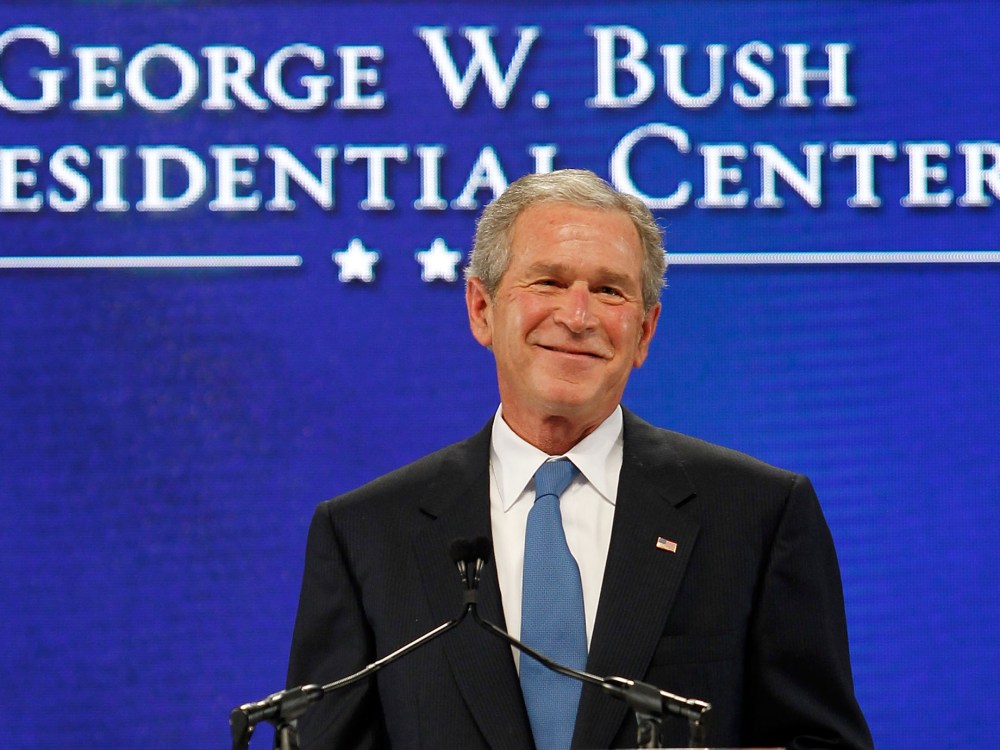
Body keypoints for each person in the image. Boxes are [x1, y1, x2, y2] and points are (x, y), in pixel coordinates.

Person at [286, 169, 873, 749]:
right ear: (481, 308)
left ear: (645, 331)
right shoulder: (365, 533)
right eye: (547, 281)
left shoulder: (758, 515)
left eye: (610, 290)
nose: (578, 316)